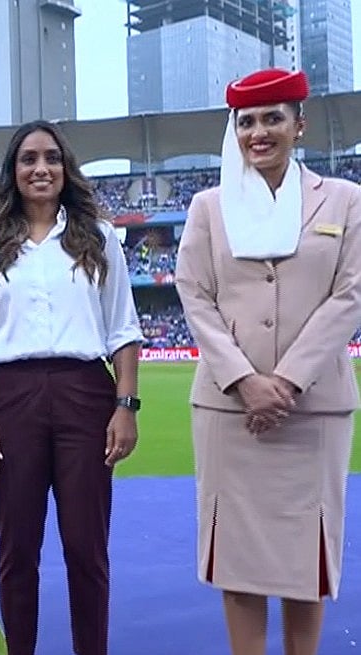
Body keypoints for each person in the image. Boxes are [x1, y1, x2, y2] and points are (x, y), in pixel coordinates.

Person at [175, 68, 361, 655]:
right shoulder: (210, 206)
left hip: (313, 409)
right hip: (230, 411)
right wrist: (243, 380)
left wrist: (284, 381)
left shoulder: (346, 200)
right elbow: (194, 292)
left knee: (308, 562)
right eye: (247, 121)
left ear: (299, 126)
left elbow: (350, 293)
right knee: (239, 562)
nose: (259, 131)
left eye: (273, 118)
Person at [0, 120, 142, 655]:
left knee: (87, 547)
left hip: (86, 393)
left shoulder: (100, 238)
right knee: (17, 549)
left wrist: (125, 405)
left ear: (66, 169)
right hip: (10, 398)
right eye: (29, 159)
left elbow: (124, 330)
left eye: (52, 158)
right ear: (13, 171)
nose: (41, 168)